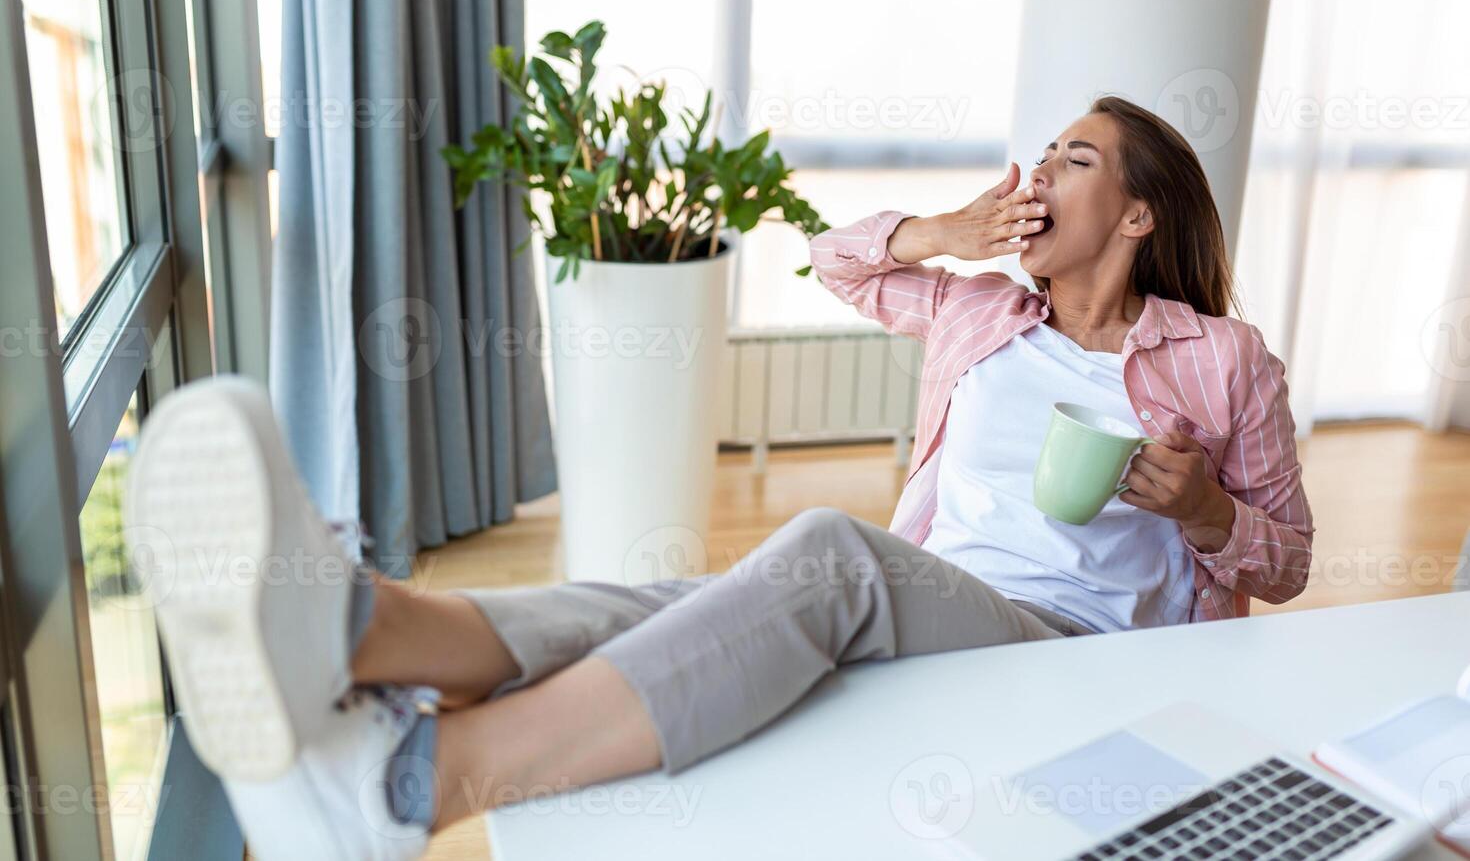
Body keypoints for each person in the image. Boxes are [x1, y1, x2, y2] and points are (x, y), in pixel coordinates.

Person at [123, 95, 1313, 859]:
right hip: (952, 590)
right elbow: (834, 262)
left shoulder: (1220, 360)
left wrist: (1206, 511)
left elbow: (1290, 556)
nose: (1042, 165)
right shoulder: (988, 310)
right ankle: (363, 626)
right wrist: (943, 232)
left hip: (1079, 648)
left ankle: (420, 783)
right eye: (1047, 144)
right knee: (692, 601)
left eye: (1078, 155)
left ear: (1140, 211)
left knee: (829, 556)